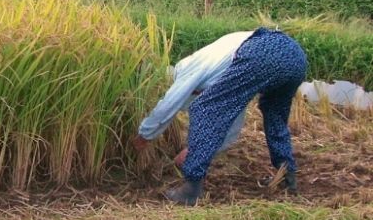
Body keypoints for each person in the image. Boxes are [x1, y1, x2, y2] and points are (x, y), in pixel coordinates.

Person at [132, 27, 308, 205]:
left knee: (203, 108)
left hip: (261, 50)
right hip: (294, 55)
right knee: (275, 116)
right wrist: (194, 150)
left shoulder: (186, 69)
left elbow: (169, 105)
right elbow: (231, 128)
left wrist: (145, 135)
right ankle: (287, 176)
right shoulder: (221, 70)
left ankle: (191, 190)